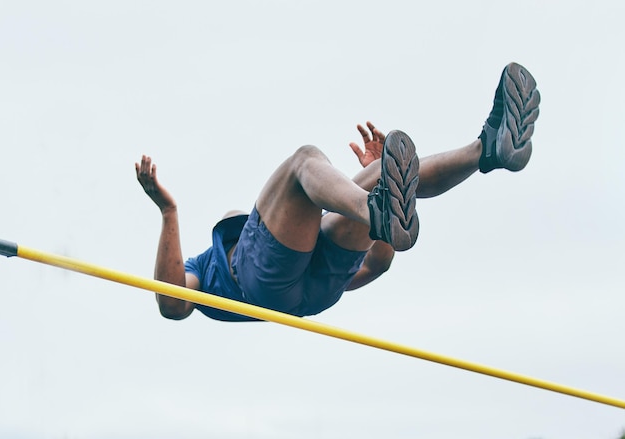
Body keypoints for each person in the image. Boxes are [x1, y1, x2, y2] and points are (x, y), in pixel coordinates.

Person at [136, 62, 540, 322]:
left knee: (379, 179)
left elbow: (376, 264)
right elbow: (171, 304)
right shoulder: (204, 269)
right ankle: (377, 203)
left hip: (310, 294)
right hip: (266, 282)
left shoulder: (273, 254)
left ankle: (487, 149)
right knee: (304, 160)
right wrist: (168, 213)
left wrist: (377, 178)